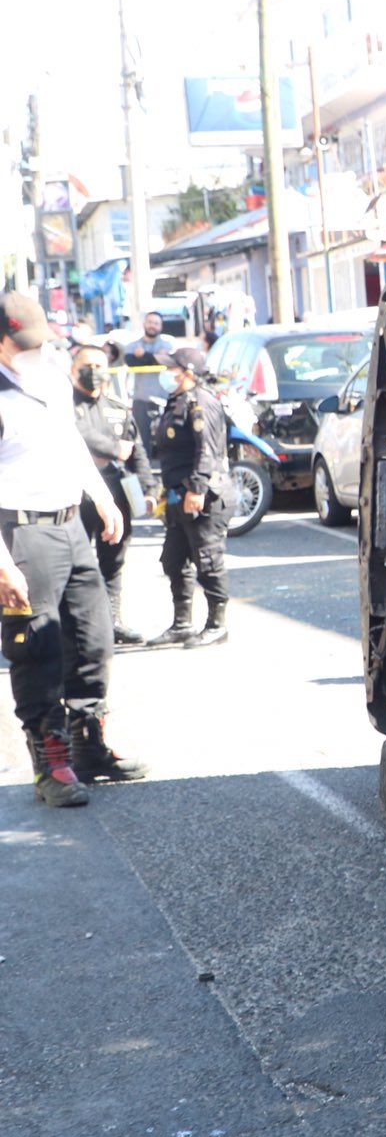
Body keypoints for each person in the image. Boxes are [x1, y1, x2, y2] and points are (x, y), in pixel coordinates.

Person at [0, 293, 142, 806]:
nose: (35, 351)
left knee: (92, 638)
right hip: (20, 533)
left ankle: (88, 744)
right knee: (35, 647)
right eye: (23, 344)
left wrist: (103, 498)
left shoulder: (51, 378)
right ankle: (50, 764)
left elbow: (71, 444)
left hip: (69, 524)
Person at [71, 338, 153, 644]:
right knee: (75, 563)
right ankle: (76, 629)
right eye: (86, 367)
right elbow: (78, 434)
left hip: (116, 492)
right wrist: (113, 447)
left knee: (114, 560)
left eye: (98, 367)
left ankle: (113, 621)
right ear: (72, 370)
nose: (93, 372)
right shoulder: (62, 405)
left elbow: (137, 450)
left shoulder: (117, 407)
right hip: (76, 496)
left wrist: (148, 487)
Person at [150, 347, 231, 648]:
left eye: (173, 368)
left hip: (201, 496)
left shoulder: (202, 402)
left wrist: (197, 488)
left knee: (208, 561)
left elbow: (206, 449)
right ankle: (182, 624)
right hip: (176, 494)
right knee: (174, 560)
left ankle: (217, 625)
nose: (167, 373)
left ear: (188, 373)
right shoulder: (177, 401)